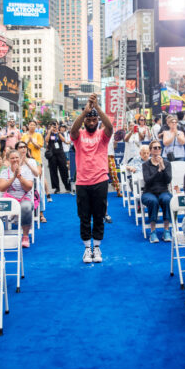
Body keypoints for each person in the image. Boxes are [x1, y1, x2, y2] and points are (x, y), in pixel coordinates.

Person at [70, 93, 113, 264]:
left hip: (100, 180)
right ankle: (87, 249)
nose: (91, 121)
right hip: (82, 182)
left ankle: (97, 247)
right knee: (84, 216)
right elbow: (73, 130)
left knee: (99, 215)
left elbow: (109, 126)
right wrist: (85, 112)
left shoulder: (103, 135)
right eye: (89, 120)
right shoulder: (79, 135)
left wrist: (97, 108)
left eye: (94, 119)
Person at [0, 149, 35, 248]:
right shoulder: (5, 172)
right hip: (9, 199)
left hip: (24, 199)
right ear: (8, 160)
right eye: (12, 158)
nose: (15, 160)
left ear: (20, 159)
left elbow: (28, 187)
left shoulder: (26, 171)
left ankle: (25, 236)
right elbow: (1, 188)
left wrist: (20, 177)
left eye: (16, 158)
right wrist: (13, 177)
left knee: (26, 207)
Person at [141, 140, 173, 243]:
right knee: (153, 201)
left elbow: (168, 180)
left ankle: (166, 230)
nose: (157, 149)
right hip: (149, 192)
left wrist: (163, 168)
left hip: (163, 191)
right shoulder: (146, 165)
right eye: (155, 148)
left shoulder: (167, 163)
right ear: (150, 151)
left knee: (167, 199)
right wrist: (158, 171)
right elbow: (147, 181)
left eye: (159, 147)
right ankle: (153, 231)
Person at [45, 121, 71, 194]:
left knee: (64, 170)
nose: (54, 127)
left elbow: (64, 141)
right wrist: (50, 131)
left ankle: (67, 186)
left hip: (60, 153)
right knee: (53, 171)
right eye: (52, 125)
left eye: (55, 125)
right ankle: (57, 188)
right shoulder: (49, 133)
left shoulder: (60, 133)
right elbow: (46, 141)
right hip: (52, 154)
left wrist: (58, 132)